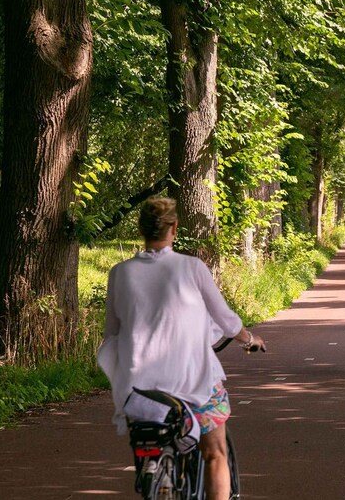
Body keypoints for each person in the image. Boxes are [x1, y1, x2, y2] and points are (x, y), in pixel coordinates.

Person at [97, 197, 264, 500]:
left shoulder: (119, 273)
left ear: (141, 229)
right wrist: (248, 339)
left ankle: (153, 471)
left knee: (149, 444)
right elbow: (226, 321)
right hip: (194, 383)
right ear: (174, 228)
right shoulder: (192, 267)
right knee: (215, 453)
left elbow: (112, 334)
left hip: (140, 393)